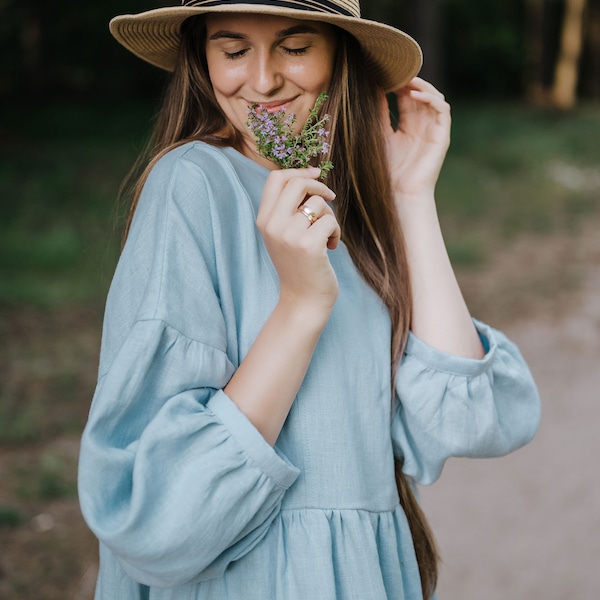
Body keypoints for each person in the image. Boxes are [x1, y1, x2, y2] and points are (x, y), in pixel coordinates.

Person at [78, 1, 541, 599]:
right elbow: (156, 513)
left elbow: (474, 420)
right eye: (234, 49)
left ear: (337, 57)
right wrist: (300, 304)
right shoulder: (191, 185)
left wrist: (409, 196)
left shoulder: (348, 209)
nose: (264, 79)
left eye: (295, 48)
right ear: (202, 59)